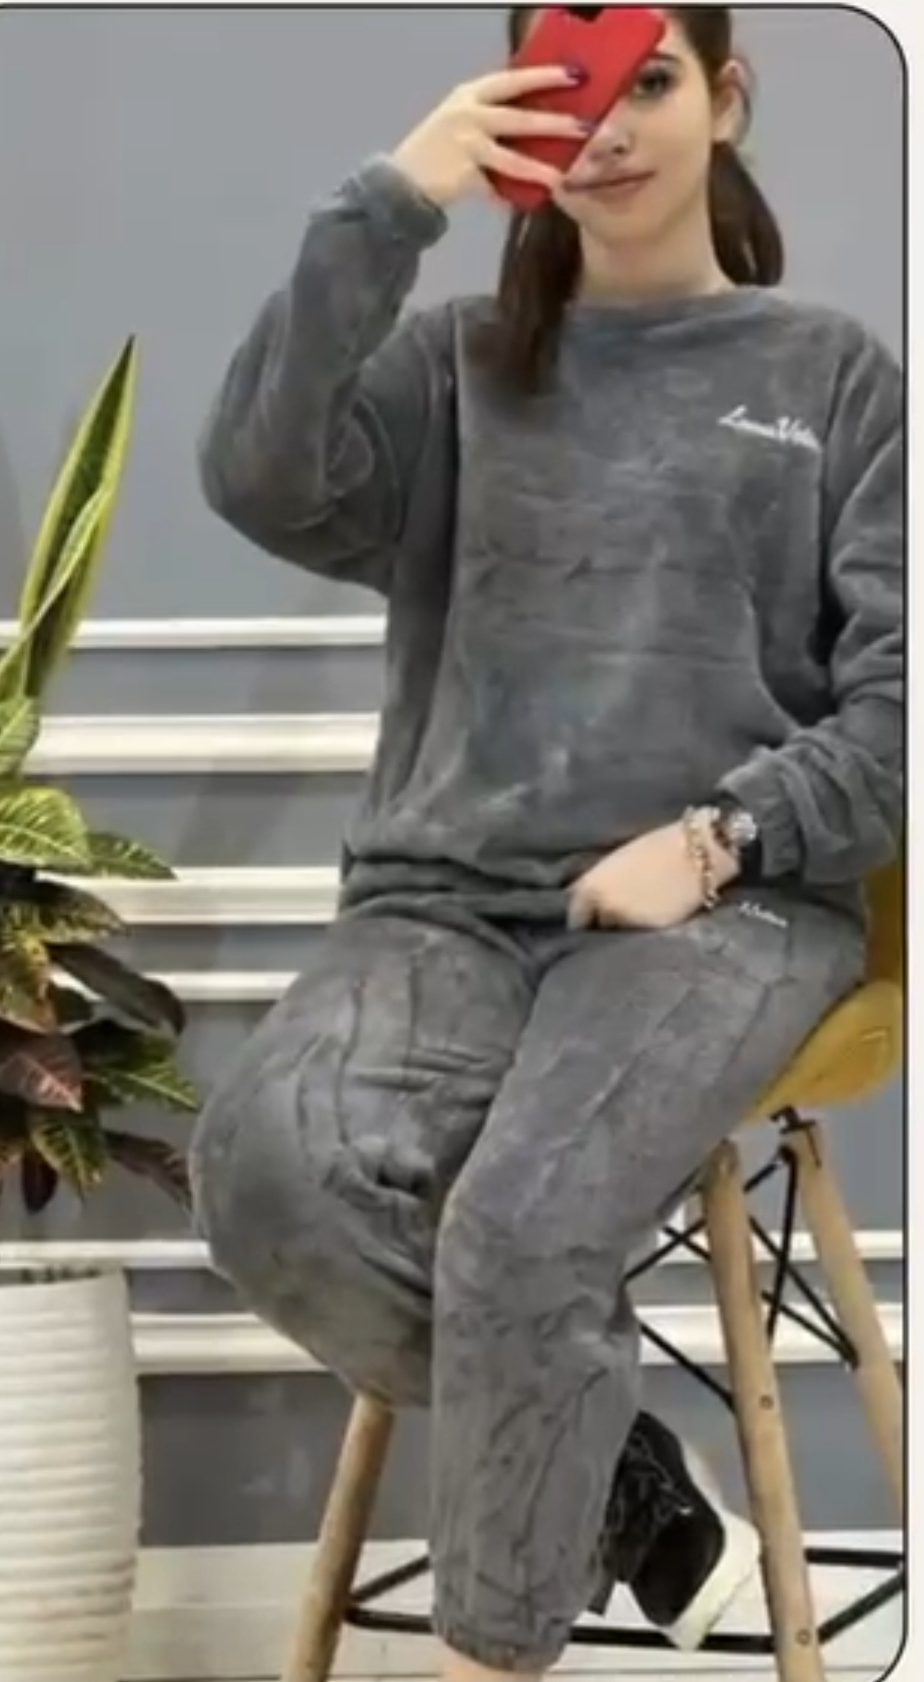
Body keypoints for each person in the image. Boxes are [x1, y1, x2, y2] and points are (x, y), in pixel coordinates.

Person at [189, 7, 903, 1678]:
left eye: (648, 80)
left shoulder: (830, 377)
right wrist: (394, 199)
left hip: (722, 909)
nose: (610, 126)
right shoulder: (453, 366)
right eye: (565, 91)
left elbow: (898, 711)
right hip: (441, 902)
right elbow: (258, 475)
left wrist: (717, 839)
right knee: (263, 1174)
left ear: (724, 98)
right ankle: (632, 1486)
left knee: (518, 1231)